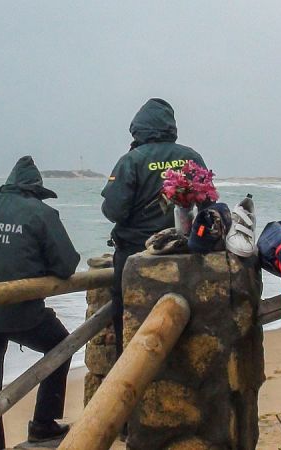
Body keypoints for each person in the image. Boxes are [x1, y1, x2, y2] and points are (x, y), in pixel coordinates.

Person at [0, 156, 80, 449]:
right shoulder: (42, 214)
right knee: (62, 345)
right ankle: (43, 424)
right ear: (36, 190)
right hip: (21, 312)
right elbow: (66, 265)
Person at [101, 98, 206, 359]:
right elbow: (208, 204)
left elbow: (114, 210)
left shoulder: (132, 160)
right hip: (186, 254)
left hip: (135, 254)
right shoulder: (191, 157)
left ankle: (124, 367)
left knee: (126, 316)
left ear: (138, 128)